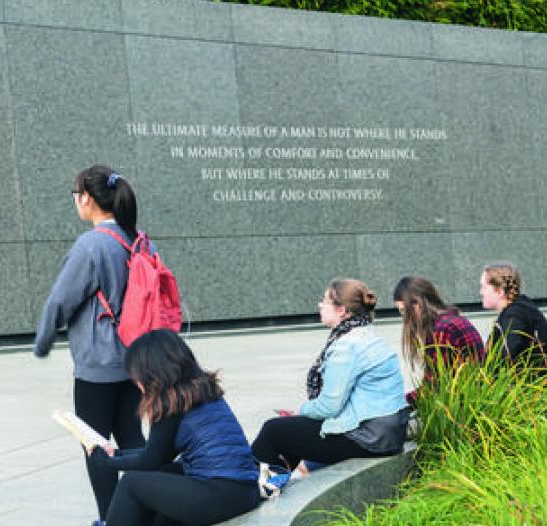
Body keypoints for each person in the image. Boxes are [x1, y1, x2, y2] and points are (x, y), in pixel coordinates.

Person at [34, 165, 148, 526]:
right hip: (138, 359)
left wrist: (43, 340)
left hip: (97, 364)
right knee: (132, 439)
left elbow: (60, 300)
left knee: (95, 444)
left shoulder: (91, 245)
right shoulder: (140, 240)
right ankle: (141, 513)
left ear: (87, 198)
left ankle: (111, 519)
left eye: (75, 194)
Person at [88, 330, 261, 526]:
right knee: (163, 473)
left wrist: (104, 461)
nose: (136, 383)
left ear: (152, 372)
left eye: (136, 376)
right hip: (243, 491)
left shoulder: (172, 401)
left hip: (221, 494)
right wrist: (115, 454)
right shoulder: (198, 390)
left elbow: (149, 460)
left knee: (131, 483)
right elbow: (159, 455)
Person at [251, 279, 408, 483]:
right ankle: (274, 480)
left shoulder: (347, 345)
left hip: (369, 437)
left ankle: (246, 485)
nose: (320, 305)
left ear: (342, 310)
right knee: (292, 430)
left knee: (273, 430)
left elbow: (329, 406)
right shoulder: (367, 334)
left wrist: (301, 410)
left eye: (324, 301)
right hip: (387, 432)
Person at [392, 276, 484, 403]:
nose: (403, 317)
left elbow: (434, 386)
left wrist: (397, 403)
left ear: (417, 305)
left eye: (403, 311)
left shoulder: (442, 329)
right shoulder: (455, 321)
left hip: (463, 409)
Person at [479, 263, 547, 380]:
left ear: (500, 291)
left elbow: (505, 358)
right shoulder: (521, 311)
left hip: (525, 395)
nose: (481, 292)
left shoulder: (515, 316)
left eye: (484, 287)